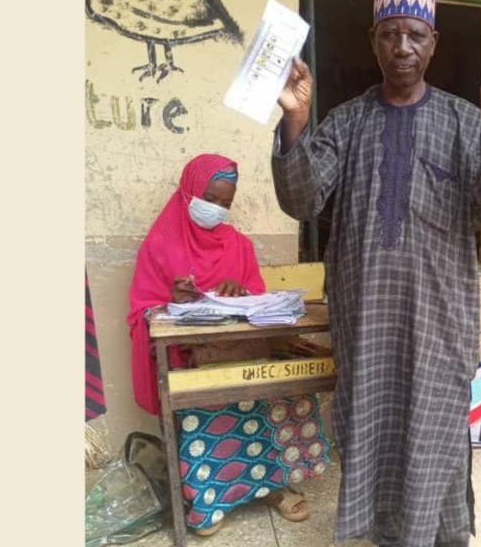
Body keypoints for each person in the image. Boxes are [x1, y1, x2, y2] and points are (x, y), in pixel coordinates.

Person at [269, 0, 481, 544]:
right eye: (389, 35)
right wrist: (296, 124)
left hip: (440, 319)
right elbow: (303, 199)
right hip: (367, 321)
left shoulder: (462, 120)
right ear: (372, 41)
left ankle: (438, 532)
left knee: (434, 430)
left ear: (432, 42)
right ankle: (385, 534)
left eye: (414, 36)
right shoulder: (349, 121)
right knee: (371, 426)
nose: (402, 49)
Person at [127, 154, 332, 536]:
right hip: (190, 360)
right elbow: (142, 310)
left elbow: (258, 299)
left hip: (241, 352)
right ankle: (209, 499)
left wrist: (241, 293)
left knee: (276, 396)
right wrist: (169, 300)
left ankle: (271, 486)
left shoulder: (238, 245)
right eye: (211, 198)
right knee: (200, 410)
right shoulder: (160, 245)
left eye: (226, 202)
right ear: (189, 192)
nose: (217, 209)